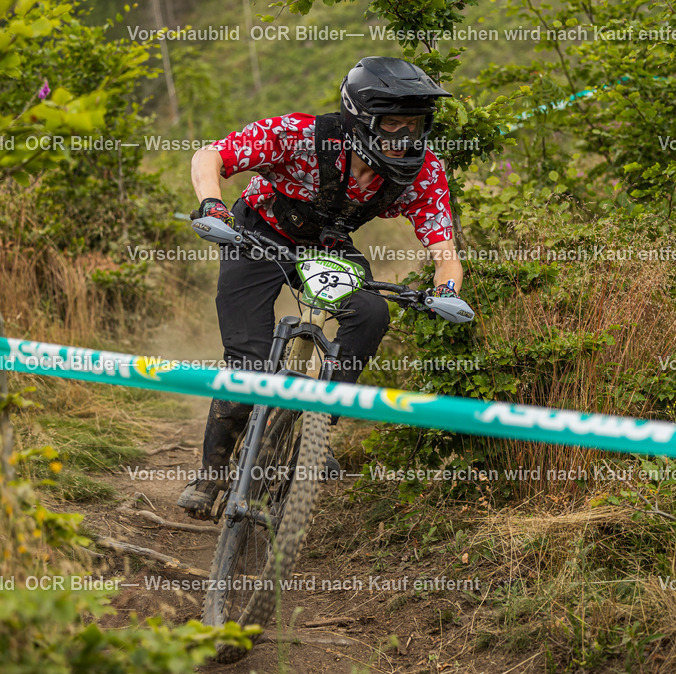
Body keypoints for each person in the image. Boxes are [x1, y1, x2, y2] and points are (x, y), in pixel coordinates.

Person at [178, 56, 465, 519]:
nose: (404, 138)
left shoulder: (423, 172)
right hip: (257, 235)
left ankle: (314, 423)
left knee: (371, 312)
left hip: (326, 247)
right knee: (247, 365)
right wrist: (212, 206)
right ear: (359, 120)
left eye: (414, 125)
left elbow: (444, 247)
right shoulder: (297, 136)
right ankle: (211, 477)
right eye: (391, 125)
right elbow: (210, 155)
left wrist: (446, 292)